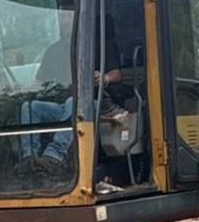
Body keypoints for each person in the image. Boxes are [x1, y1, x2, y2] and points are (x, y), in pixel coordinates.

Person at [22, 15, 127, 171]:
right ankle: (29, 158)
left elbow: (117, 74)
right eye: (62, 18)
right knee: (30, 107)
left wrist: (104, 77)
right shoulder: (53, 50)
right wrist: (20, 90)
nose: (64, 21)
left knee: (74, 102)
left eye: (68, 17)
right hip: (64, 106)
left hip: (95, 105)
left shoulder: (103, 44)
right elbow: (40, 82)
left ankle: (54, 157)